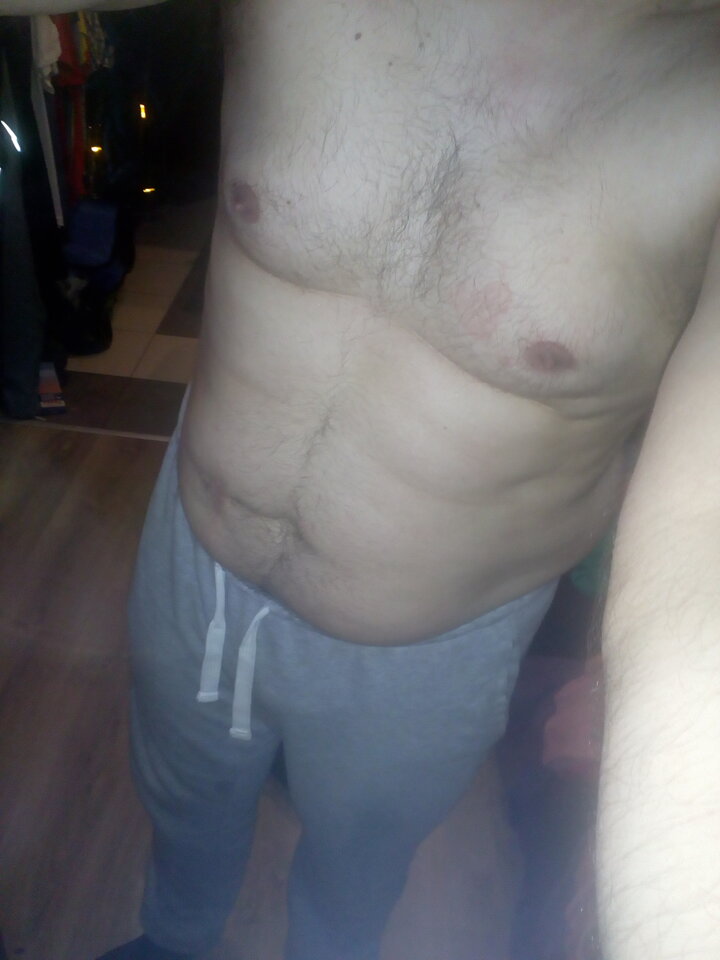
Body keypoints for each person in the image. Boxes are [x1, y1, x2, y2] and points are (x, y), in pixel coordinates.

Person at [6, 1, 720, 958]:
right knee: (182, 812)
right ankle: (175, 942)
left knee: (355, 875)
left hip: (433, 648)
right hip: (197, 563)